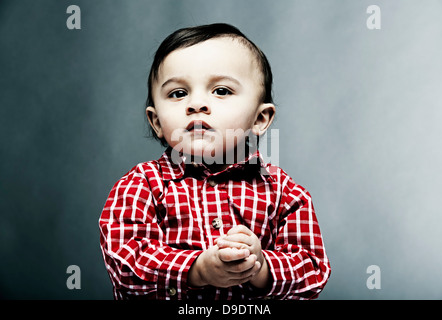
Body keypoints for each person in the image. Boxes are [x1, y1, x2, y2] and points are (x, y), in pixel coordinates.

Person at [99, 23, 330, 300]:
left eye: (221, 91)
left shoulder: (287, 194)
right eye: (178, 93)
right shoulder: (140, 185)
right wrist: (197, 270)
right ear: (157, 121)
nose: (196, 104)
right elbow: (124, 262)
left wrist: (260, 267)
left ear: (259, 119)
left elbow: (313, 272)